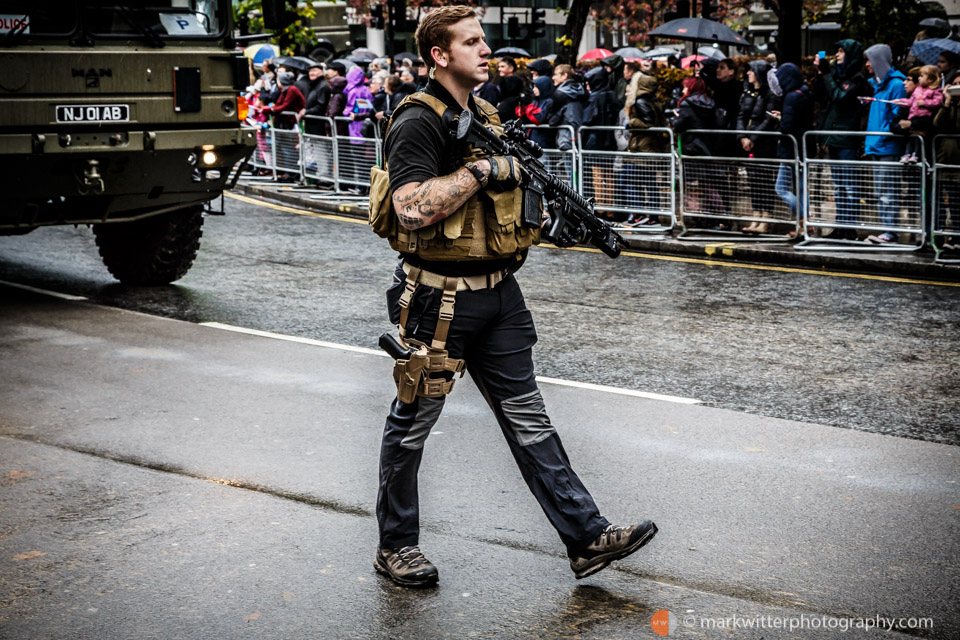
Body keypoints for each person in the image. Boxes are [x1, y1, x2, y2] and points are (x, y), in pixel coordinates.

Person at [369, 4, 656, 588]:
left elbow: (502, 211)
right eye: (470, 41)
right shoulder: (418, 120)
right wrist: (484, 172)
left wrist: (552, 225)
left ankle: (585, 535)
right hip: (437, 301)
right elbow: (409, 207)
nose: (484, 49)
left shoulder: (488, 116)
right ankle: (396, 547)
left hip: (501, 296)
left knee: (530, 418)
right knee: (414, 424)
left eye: (484, 40)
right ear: (439, 55)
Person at [813, 39, 870, 241]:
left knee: (850, 186)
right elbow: (821, 96)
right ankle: (840, 225)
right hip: (833, 136)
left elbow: (840, 97)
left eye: (841, 51)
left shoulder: (857, 78)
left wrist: (827, 75)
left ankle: (850, 227)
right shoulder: (836, 75)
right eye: (836, 51)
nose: (837, 55)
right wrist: (821, 74)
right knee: (838, 186)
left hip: (847, 138)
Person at [863, 43, 907, 244]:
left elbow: (897, 116)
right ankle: (887, 229)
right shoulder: (878, 85)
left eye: (870, 60)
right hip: (878, 144)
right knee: (881, 190)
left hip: (887, 144)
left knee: (887, 190)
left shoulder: (896, 85)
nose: (867, 65)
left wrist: (883, 135)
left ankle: (890, 232)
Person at [737, 60, 780, 233]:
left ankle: (766, 218)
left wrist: (753, 137)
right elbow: (740, 115)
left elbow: (768, 119)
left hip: (764, 143)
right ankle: (756, 216)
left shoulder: (770, 94)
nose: (748, 73)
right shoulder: (747, 93)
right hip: (748, 142)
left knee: (764, 181)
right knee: (752, 181)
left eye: (751, 71)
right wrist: (741, 137)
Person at [623, 74, 668, 225]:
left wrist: (632, 121)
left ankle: (640, 214)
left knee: (632, 181)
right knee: (650, 183)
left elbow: (648, 124)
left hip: (642, 148)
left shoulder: (641, 101)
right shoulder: (653, 101)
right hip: (649, 148)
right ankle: (652, 217)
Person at [893, 64, 942, 162]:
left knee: (918, 142)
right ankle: (907, 155)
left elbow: (935, 112)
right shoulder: (916, 94)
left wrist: (925, 103)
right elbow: (894, 124)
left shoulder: (935, 92)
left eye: (908, 80)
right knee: (911, 141)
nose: (904, 83)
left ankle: (915, 155)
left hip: (927, 145)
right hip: (913, 119)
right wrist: (901, 101)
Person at [548, 64, 586, 183]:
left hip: (567, 136)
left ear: (564, 76)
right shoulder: (581, 91)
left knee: (571, 172)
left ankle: (574, 200)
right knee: (579, 171)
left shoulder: (560, 94)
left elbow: (552, 118)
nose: (553, 77)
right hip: (579, 134)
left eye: (555, 74)